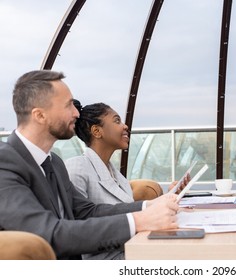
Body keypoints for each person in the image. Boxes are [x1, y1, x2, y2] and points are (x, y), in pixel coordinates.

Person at [0, 70, 179, 260]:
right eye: (68, 105)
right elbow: (47, 234)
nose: (77, 113)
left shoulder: (54, 163)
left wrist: (148, 206)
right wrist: (138, 221)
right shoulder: (5, 163)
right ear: (40, 115)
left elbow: (87, 211)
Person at [65, 101, 188, 259]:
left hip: (132, 248)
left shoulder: (117, 176)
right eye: (117, 121)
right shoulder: (77, 167)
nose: (125, 126)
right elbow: (77, 226)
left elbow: (130, 211)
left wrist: (169, 196)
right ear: (96, 131)